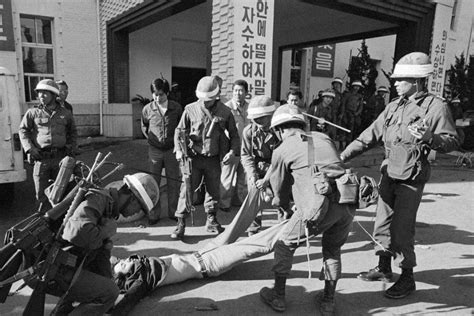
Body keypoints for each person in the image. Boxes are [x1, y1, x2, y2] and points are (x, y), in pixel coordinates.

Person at [340, 52, 459, 299]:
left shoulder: (436, 107)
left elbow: (452, 140)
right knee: (382, 223)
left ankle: (407, 277)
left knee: (402, 230)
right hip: (389, 173)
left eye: (400, 79)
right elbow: (368, 136)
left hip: (411, 179)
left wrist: (429, 138)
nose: (394, 83)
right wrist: (341, 157)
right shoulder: (394, 106)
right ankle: (384, 268)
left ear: (416, 81)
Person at [259, 104, 356, 315]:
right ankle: (328, 301)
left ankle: (278, 296)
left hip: (318, 206)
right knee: (332, 250)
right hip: (347, 201)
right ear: (302, 124)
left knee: (285, 244)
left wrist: (284, 207)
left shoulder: (282, 150)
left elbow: (280, 192)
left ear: (278, 130)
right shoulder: (323, 137)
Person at [110, 219, 288, 315]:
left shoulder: (138, 263)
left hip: (204, 252)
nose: (123, 261)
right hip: (209, 264)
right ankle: (296, 224)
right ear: (125, 278)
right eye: (122, 266)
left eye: (121, 261)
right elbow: (128, 301)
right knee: (257, 244)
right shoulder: (141, 280)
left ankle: (261, 193)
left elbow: (110, 258)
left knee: (238, 221)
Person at [51, 173, 160, 315]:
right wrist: (105, 232)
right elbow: (76, 233)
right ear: (133, 199)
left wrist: (107, 278)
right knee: (109, 293)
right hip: (50, 268)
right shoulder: (99, 199)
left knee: (105, 289)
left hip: (61, 265)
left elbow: (99, 257)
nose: (138, 212)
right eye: (140, 208)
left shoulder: (108, 208)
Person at [171, 76, 240, 239]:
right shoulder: (190, 109)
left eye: (209, 99)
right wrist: (179, 150)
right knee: (186, 190)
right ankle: (180, 222)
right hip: (193, 158)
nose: (206, 102)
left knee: (213, 190)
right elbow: (178, 131)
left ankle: (212, 219)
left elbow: (235, 136)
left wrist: (232, 151)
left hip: (214, 159)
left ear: (216, 96)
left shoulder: (225, 111)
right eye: (203, 98)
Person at [19, 79, 77, 212]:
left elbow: (72, 132)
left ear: (53, 95)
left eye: (45, 93)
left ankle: (59, 225)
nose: (41, 96)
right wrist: (29, 149)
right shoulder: (33, 113)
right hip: (41, 160)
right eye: (39, 93)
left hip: (60, 159)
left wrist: (72, 149)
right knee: (41, 196)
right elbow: (23, 130)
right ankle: (42, 225)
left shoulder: (65, 113)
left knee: (61, 193)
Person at [141, 78, 183, 224]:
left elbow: (181, 127)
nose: (158, 97)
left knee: (173, 182)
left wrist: (178, 145)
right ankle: (154, 214)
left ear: (167, 93)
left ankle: (173, 212)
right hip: (155, 151)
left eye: (161, 94)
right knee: (153, 183)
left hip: (172, 150)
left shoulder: (176, 108)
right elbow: (145, 127)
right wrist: (152, 141)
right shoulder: (147, 109)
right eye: (155, 94)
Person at [241, 95, 281, 235]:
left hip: (277, 168)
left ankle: (282, 230)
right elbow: (246, 155)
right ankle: (254, 230)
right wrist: (252, 175)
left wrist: (266, 180)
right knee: (253, 199)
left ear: (270, 116)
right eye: (254, 118)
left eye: (260, 117)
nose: (256, 120)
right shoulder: (249, 131)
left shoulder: (280, 132)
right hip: (257, 167)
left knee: (280, 198)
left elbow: (279, 159)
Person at [220, 79, 250, 211]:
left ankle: (239, 201)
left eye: (241, 90)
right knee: (227, 178)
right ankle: (224, 204)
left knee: (242, 179)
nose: (238, 93)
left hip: (247, 149)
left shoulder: (250, 108)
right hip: (231, 148)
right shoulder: (226, 108)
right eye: (236, 90)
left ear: (246, 92)